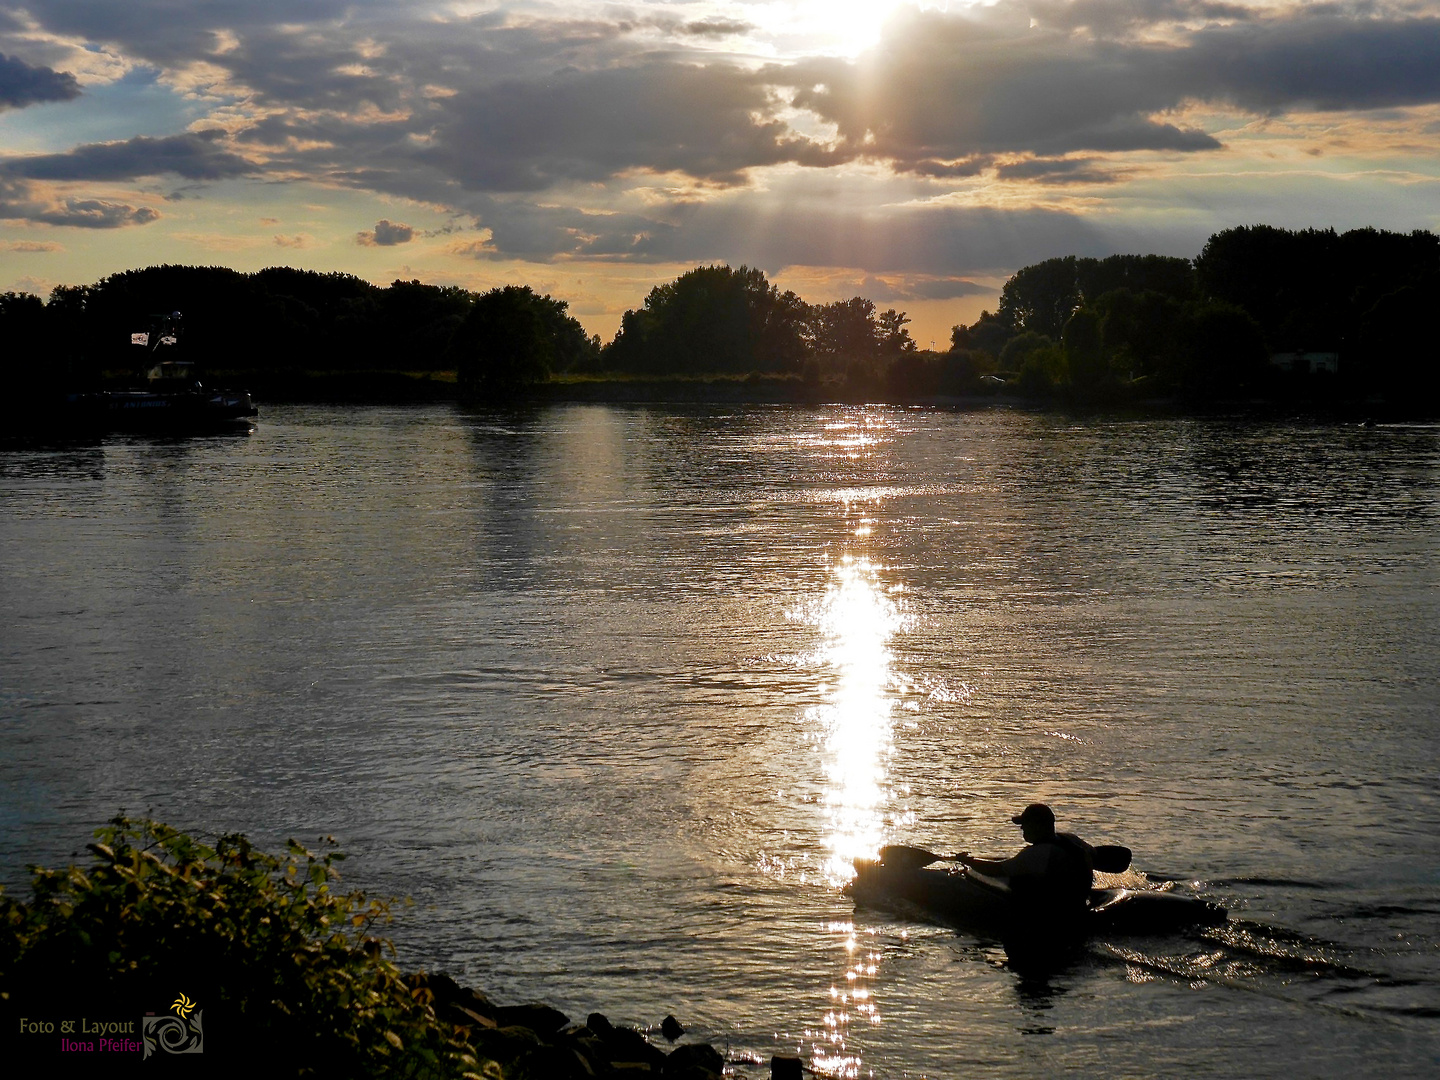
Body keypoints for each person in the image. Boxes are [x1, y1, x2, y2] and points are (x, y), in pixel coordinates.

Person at [954, 803, 1095, 909]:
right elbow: (1094, 854)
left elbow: (996, 870)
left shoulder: (1039, 853)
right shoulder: (1071, 839)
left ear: (1038, 826)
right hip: (1078, 902)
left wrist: (967, 861)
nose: (1022, 828)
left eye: (1025, 824)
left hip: (1056, 910)